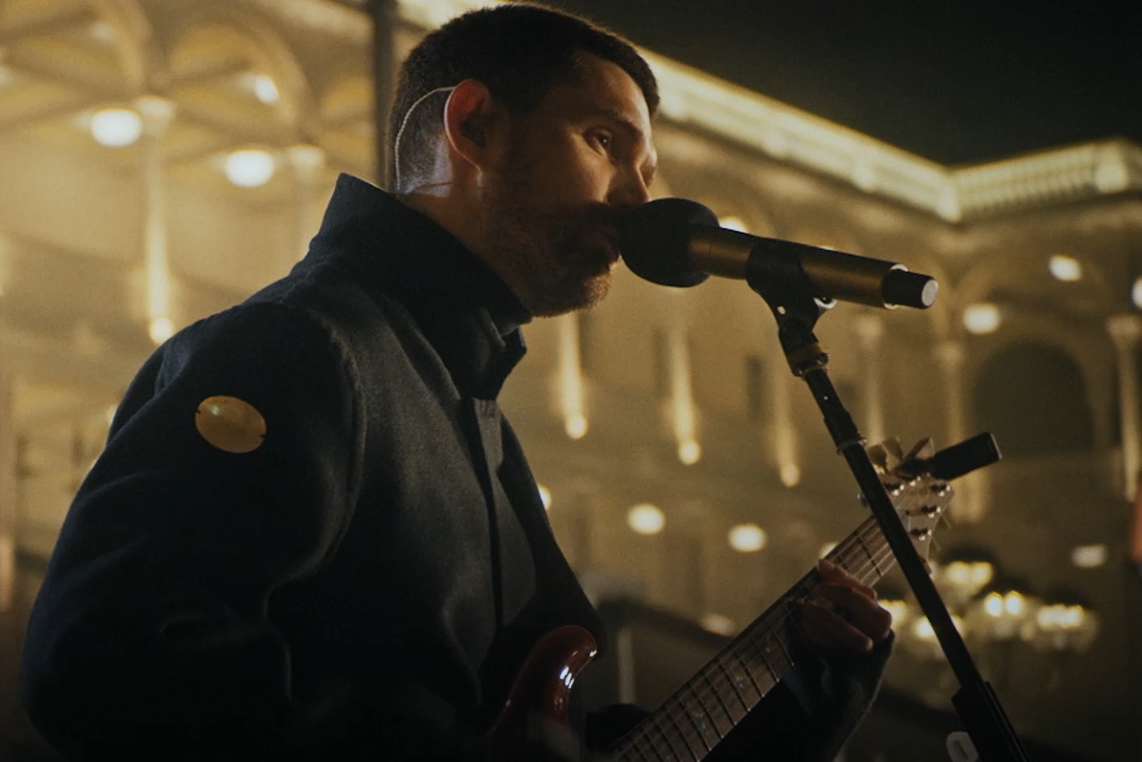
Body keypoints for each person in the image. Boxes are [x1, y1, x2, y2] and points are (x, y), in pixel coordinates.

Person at [21, 3, 893, 760]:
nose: (638, 198)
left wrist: (814, 697)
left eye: (647, 170)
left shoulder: (472, 408)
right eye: (604, 141)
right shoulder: (299, 347)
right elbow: (109, 660)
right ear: (473, 126)